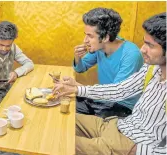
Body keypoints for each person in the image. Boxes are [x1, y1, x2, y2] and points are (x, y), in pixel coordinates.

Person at [53, 13, 166, 155]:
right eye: (144, 42)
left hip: (126, 133)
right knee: (57, 120)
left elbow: (118, 96)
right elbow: (120, 89)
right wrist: (76, 89)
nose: (142, 49)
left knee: (57, 141)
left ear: (105, 38)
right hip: (117, 124)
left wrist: (138, 151)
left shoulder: (131, 53)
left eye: (150, 45)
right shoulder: (152, 68)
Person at [73, 8, 144, 118]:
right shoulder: (99, 48)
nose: (85, 40)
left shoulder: (131, 54)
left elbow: (116, 93)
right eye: (85, 34)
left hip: (121, 106)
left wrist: (79, 88)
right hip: (100, 99)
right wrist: (78, 57)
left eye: (90, 36)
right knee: (67, 103)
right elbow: (80, 69)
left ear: (105, 37)